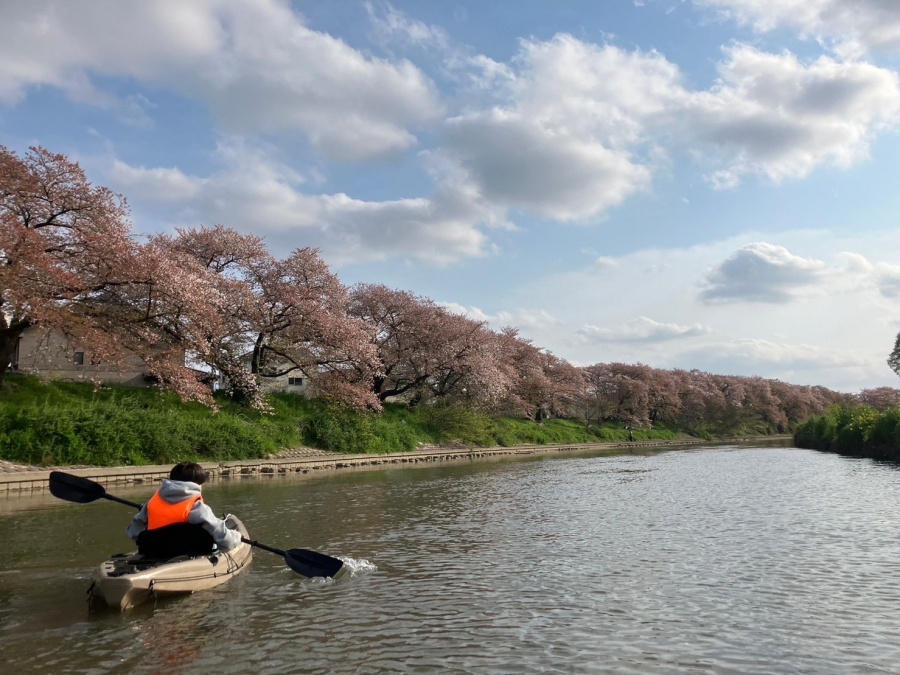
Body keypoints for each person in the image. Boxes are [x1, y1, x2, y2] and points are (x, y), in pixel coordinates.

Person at [127, 462, 241, 557]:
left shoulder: (152, 503)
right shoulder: (197, 507)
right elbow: (226, 541)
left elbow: (132, 532)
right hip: (187, 554)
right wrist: (237, 536)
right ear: (198, 484)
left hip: (153, 552)